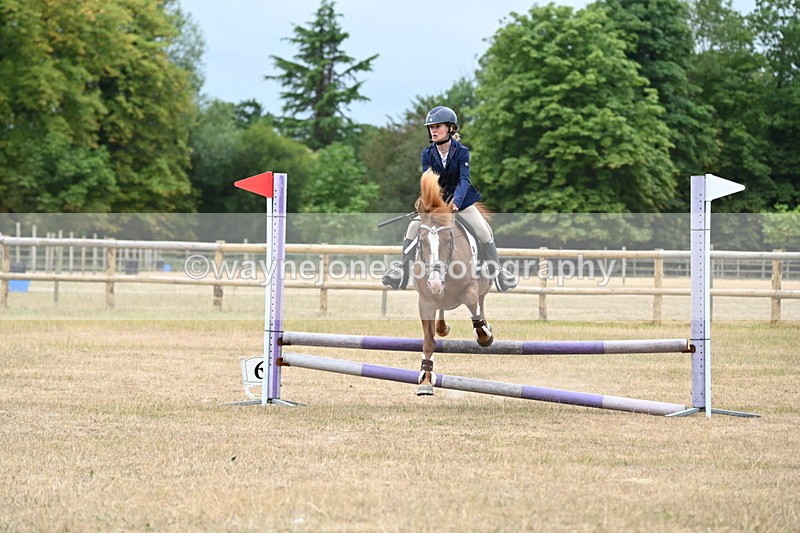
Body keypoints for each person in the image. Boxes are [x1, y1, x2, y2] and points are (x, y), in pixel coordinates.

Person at [382, 105, 518, 292]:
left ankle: (498, 273)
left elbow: (464, 180)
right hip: (437, 205)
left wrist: (456, 202)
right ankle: (402, 271)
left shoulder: (462, 151)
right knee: (413, 227)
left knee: (483, 230)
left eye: (437, 126)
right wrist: (433, 205)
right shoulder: (427, 154)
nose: (433, 130)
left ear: (450, 128)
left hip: (461, 203)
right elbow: (429, 182)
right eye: (431, 127)